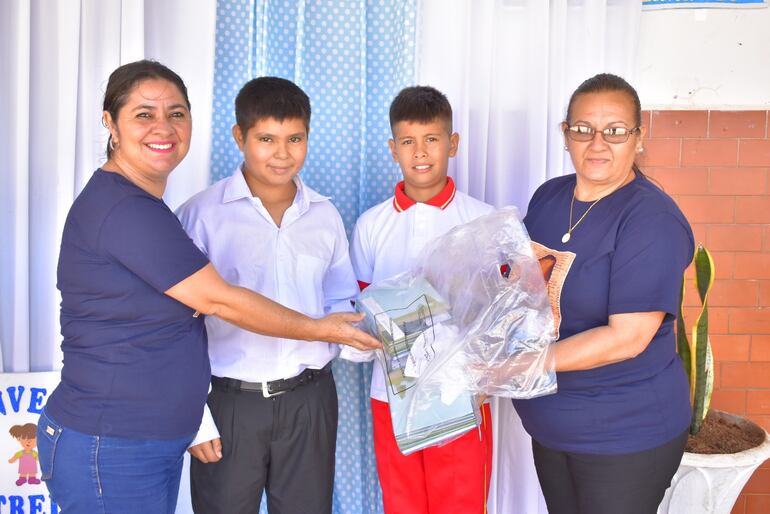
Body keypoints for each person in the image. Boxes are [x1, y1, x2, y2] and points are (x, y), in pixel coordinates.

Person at [36, 60, 378, 514]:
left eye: (176, 113)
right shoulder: (156, 212)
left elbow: (339, 298)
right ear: (110, 124)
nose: (164, 126)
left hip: (295, 398)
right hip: (150, 427)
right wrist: (322, 329)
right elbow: (215, 302)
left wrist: (362, 334)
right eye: (144, 114)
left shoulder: (147, 207)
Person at [512, 73, 694, 514]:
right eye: (583, 129)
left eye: (614, 131)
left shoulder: (650, 220)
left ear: (638, 136)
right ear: (565, 134)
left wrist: (518, 367)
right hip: (552, 427)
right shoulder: (549, 197)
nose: (597, 143)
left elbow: (627, 337)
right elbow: (524, 291)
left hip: (624, 435)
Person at [176, 76, 354, 514]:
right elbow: (177, 328)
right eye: (266, 139)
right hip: (230, 404)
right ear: (240, 137)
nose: (282, 153)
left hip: (310, 401)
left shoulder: (325, 215)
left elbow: (339, 301)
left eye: (295, 139)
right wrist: (196, 420)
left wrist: (373, 335)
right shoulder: (200, 216)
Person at [347, 86, 494, 514]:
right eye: (408, 141)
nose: (420, 152)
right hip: (390, 395)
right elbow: (358, 312)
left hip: (463, 392)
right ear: (393, 149)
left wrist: (483, 377)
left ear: (453, 143)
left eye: (432, 139)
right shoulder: (371, 225)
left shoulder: (482, 219)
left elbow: (503, 315)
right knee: (403, 503)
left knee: (461, 503)